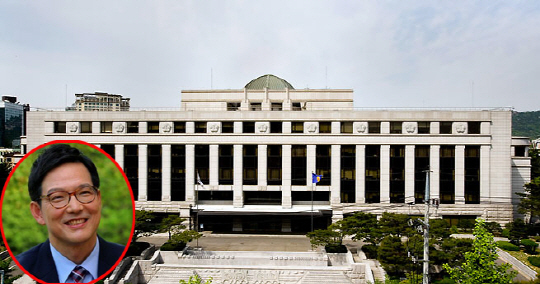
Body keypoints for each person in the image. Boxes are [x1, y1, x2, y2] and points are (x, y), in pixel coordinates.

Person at [16, 144, 125, 283]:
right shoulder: (27, 265)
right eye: (58, 197)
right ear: (38, 212)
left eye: (84, 193)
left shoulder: (121, 257)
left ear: (99, 199)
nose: (75, 207)